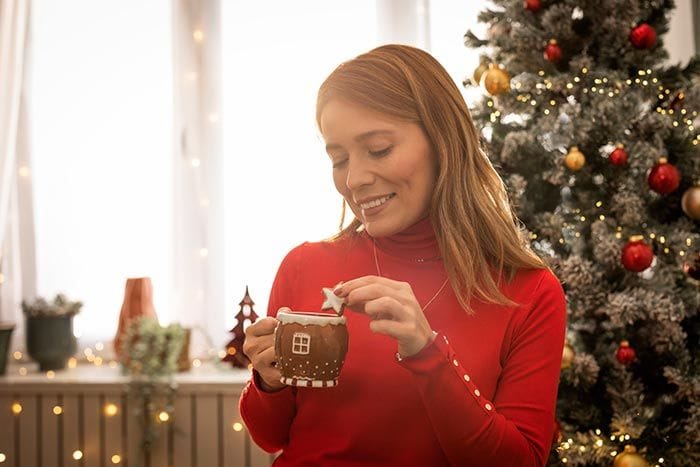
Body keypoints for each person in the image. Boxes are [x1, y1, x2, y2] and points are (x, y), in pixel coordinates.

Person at [239, 44, 566, 467]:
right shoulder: (303, 266)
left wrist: (427, 353)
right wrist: (268, 383)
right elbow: (270, 436)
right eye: (339, 159)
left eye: (378, 149)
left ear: (443, 141)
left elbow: (518, 462)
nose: (354, 179)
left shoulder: (529, 293)